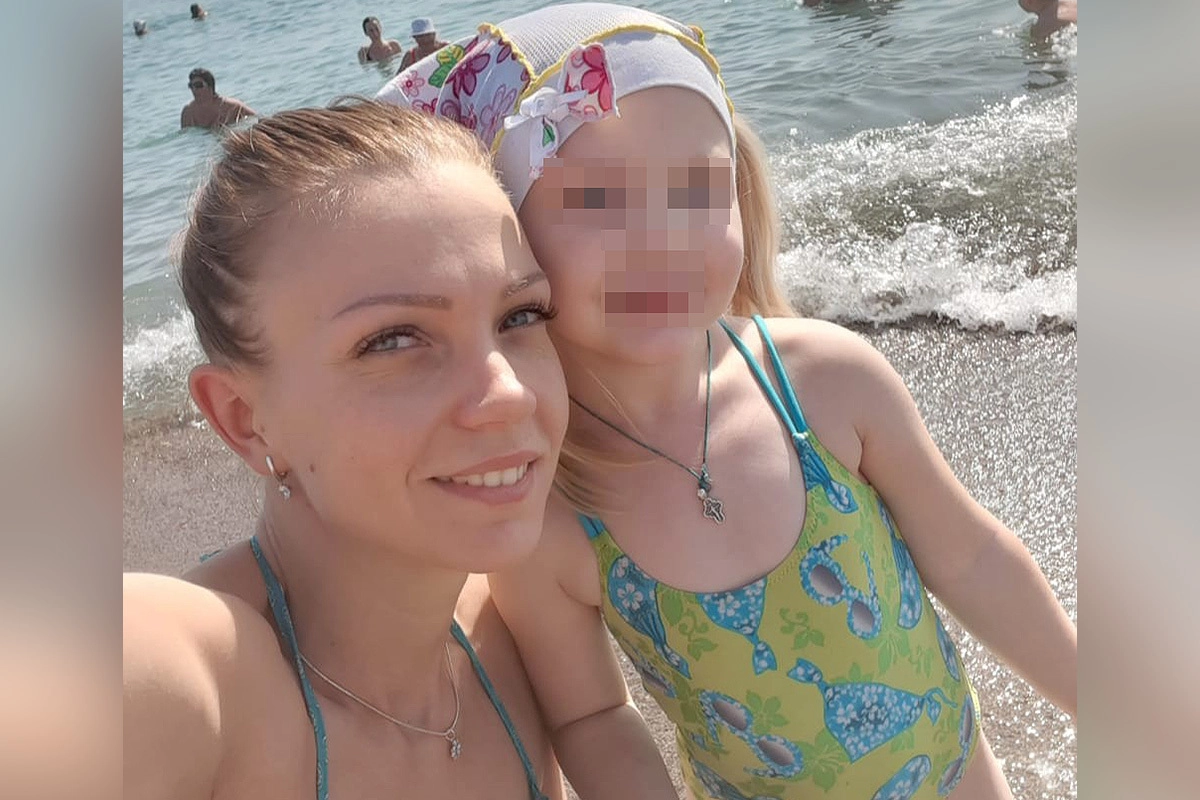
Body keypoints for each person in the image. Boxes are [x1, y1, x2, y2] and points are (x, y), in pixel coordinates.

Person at [380, 4, 1078, 799]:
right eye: (600, 199)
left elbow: (971, 558)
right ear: (508, 238)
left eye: (696, 190)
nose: (662, 238)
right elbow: (592, 717)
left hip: (959, 775)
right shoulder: (553, 509)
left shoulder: (826, 381)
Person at [124, 100, 568, 800]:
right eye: (392, 339)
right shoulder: (195, 674)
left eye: (521, 315)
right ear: (244, 419)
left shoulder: (526, 621)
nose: (510, 394)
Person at [180, 68, 256, 130]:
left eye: (198, 85)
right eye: (191, 86)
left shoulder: (232, 106)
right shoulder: (188, 112)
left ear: (210, 86)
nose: (194, 89)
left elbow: (257, 119)